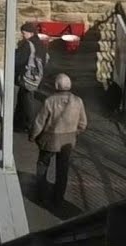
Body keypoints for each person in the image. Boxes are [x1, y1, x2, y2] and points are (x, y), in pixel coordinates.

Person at [29, 73, 88, 207]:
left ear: (56, 85)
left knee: (43, 165)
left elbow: (39, 122)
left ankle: (41, 194)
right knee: (62, 169)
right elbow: (83, 124)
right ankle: (58, 197)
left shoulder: (50, 101)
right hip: (68, 141)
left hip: (49, 140)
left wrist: (32, 136)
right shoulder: (78, 101)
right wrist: (74, 133)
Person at [14, 22, 48, 133]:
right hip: (37, 77)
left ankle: (28, 124)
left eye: (24, 33)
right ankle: (19, 122)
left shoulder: (28, 45)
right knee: (22, 98)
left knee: (26, 100)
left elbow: (18, 60)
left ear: (30, 33)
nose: (22, 35)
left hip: (27, 77)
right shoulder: (40, 44)